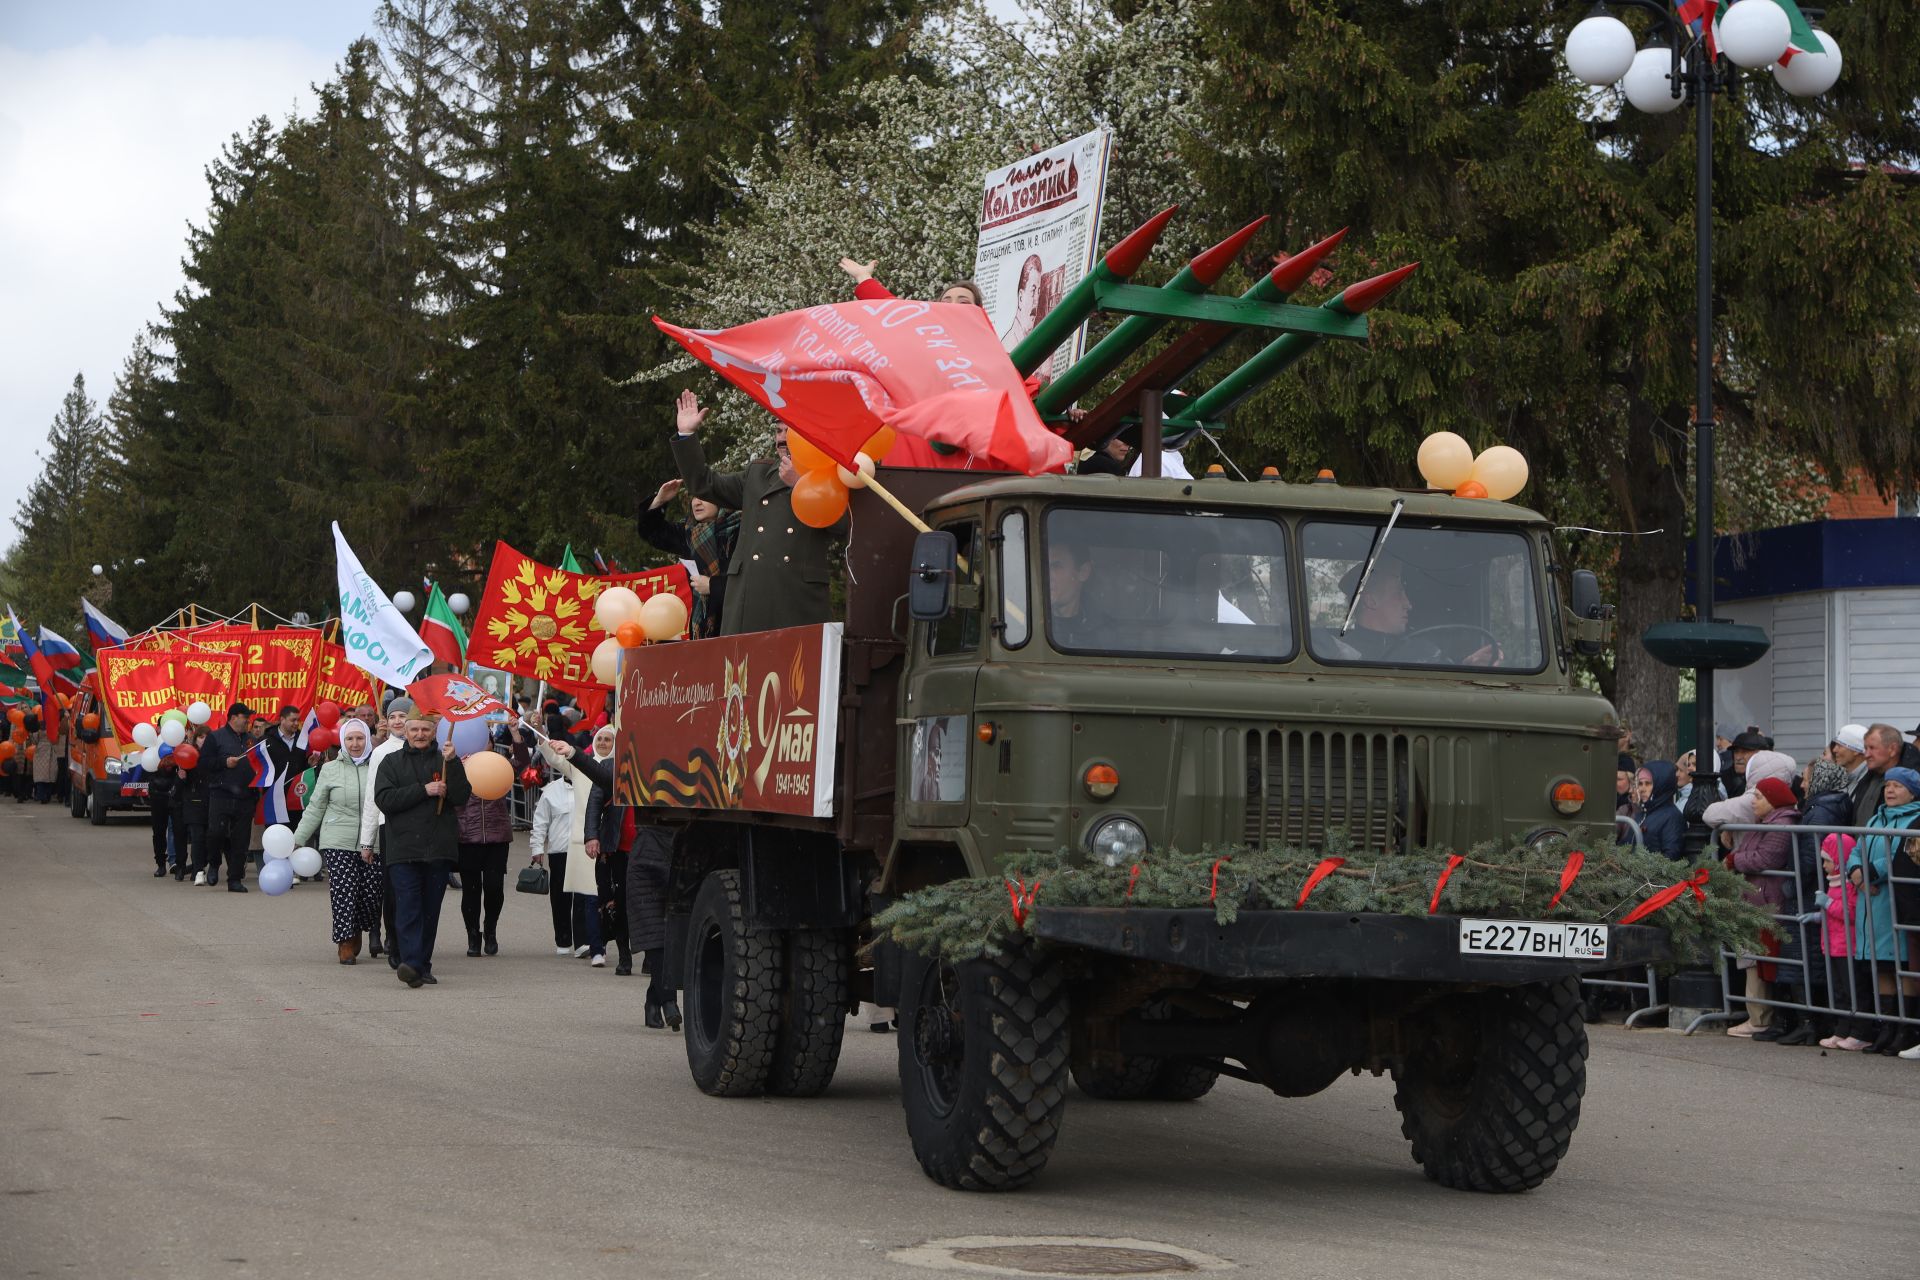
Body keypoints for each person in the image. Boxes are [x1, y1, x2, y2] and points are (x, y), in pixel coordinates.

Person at [671, 391, 846, 635]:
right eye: (778, 431)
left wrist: (802, 486)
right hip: (748, 603)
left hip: (796, 604)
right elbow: (703, 484)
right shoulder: (757, 475)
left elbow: (845, 528)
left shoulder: (830, 477)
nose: (781, 439)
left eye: (789, 431)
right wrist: (687, 434)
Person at [374, 707, 470, 988]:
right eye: (414, 729)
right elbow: (384, 799)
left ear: (433, 732)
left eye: (425, 730)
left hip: (438, 849)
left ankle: (421, 965)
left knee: (430, 910)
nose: (420, 734)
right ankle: (412, 963)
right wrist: (423, 790)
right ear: (405, 731)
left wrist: (452, 764)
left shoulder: (446, 759)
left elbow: (462, 795)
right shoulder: (391, 762)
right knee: (408, 908)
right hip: (403, 849)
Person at [1826, 767, 1920, 1054]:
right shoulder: (1877, 816)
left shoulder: (1913, 820)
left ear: (1913, 792)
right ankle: (1888, 1025)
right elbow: (1858, 848)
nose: (1890, 790)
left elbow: (1901, 854)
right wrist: (1856, 868)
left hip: (1891, 899)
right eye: (1888, 785)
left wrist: (1869, 871)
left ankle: (1907, 1028)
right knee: (1879, 966)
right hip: (1871, 901)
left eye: (1898, 787)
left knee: (1900, 965)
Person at [292, 719, 377, 965]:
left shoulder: (379, 765)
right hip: (337, 839)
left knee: (370, 894)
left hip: (373, 840)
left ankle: (358, 927)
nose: (355, 743)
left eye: (360, 738)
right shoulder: (330, 769)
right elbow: (316, 806)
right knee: (343, 891)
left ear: (368, 739)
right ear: (342, 741)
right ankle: (345, 940)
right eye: (349, 739)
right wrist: (298, 838)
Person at [1724, 776, 1797, 1038]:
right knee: (1751, 960)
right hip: (1755, 897)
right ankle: (1757, 1015)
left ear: (1773, 800)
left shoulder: (1782, 824)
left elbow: (1766, 857)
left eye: (1759, 796)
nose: (1754, 801)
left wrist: (1734, 859)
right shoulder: (1765, 822)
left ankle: (1760, 1018)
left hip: (1766, 900)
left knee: (1758, 960)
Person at [539, 727, 613, 964]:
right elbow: (554, 757)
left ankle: (607, 942)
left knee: (610, 896)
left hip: (613, 840)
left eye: (608, 739)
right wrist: (541, 733)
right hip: (586, 840)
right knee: (590, 896)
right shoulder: (583, 765)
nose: (602, 742)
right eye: (599, 738)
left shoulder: (622, 768)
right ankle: (594, 946)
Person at [638, 478, 739, 638]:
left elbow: (754, 580)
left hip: (738, 624)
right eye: (694, 497)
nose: (697, 503)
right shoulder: (690, 532)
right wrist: (660, 500)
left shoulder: (741, 528)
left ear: (721, 498)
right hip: (704, 629)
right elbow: (651, 532)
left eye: (704, 497)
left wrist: (714, 586)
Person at [358, 698, 415, 963]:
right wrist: (366, 842)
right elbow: (372, 798)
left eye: (403, 716)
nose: (397, 721)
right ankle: (391, 937)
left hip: (418, 826)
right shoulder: (381, 752)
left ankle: (410, 939)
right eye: (393, 717)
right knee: (392, 887)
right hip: (388, 826)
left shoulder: (424, 747)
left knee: (414, 887)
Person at [455, 758, 512, 957]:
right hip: (467, 836)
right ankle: (472, 935)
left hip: (497, 836)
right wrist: (455, 767)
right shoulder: (456, 762)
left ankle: (490, 929)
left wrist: (516, 737)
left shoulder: (497, 763)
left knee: (494, 887)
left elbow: (520, 765)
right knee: (471, 890)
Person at [204, 703, 258, 892]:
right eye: (245, 717)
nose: (247, 721)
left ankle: (234, 879)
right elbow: (204, 763)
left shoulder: (251, 740)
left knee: (241, 840)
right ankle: (213, 862)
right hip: (221, 794)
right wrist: (224, 762)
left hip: (245, 796)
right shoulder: (215, 737)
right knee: (216, 833)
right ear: (234, 717)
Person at [1047, 538, 1105, 650]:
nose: (1047, 574)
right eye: (1044, 566)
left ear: (1083, 572)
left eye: (1056, 566)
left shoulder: (1104, 632)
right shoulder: (1025, 624)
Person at [1635, 761, 1686, 861]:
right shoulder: (1641, 814)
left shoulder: (1672, 817)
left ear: (1661, 785)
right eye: (1640, 784)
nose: (1642, 789)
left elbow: (1670, 857)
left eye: (1648, 783)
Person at [145, 749, 180, 877]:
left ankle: (175, 863)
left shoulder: (178, 768)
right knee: (159, 833)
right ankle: (161, 864)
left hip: (171, 802)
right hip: (158, 804)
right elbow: (151, 787)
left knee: (175, 832)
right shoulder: (153, 766)